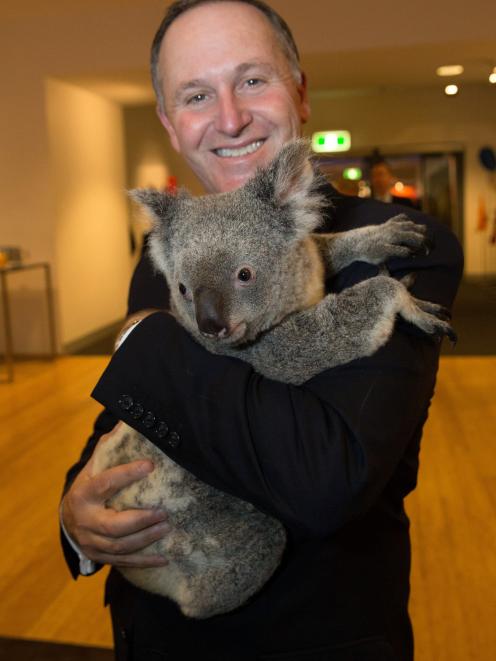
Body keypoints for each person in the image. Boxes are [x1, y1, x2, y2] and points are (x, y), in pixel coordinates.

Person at [60, 1, 463, 659]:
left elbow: (328, 477)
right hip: (152, 636)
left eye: (252, 79)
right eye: (196, 94)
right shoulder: (166, 250)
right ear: (171, 124)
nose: (229, 117)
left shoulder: (402, 248)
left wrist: (150, 340)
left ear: (299, 92)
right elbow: (128, 424)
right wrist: (75, 515)